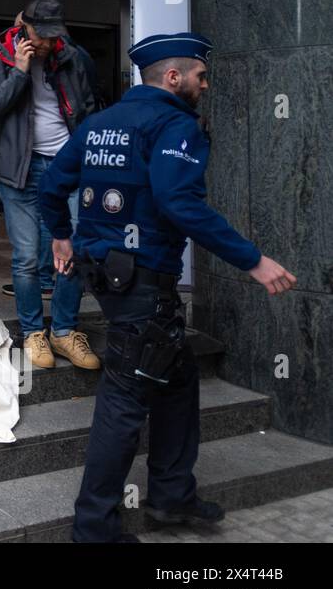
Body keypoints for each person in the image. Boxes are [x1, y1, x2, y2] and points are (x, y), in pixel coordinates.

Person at [41, 32, 297, 543]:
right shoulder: (174, 124)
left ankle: (171, 497)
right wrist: (254, 260)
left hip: (107, 272)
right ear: (174, 77)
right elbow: (180, 202)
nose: (205, 85)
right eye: (201, 76)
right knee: (124, 397)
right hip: (142, 279)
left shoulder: (100, 122)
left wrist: (63, 237)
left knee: (176, 380)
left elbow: (52, 186)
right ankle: (94, 527)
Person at [0, 0, 99, 371]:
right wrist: (20, 72)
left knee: (73, 252)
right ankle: (33, 332)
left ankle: (64, 330)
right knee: (27, 257)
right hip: (19, 172)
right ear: (24, 28)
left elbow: (90, 107)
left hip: (68, 169)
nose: (46, 43)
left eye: (52, 36)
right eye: (39, 36)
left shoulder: (73, 57)